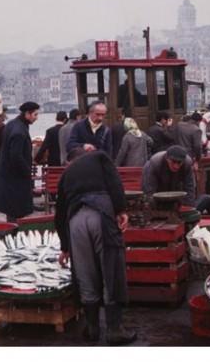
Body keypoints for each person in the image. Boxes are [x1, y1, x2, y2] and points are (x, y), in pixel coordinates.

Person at [55, 148, 136, 345]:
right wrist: (121, 209)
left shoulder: (66, 174)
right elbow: (114, 182)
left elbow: (59, 214)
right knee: (111, 270)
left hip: (75, 221)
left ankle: (92, 329)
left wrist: (65, 247)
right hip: (100, 214)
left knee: (85, 273)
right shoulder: (100, 157)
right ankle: (114, 330)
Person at [0, 101, 40, 221]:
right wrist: (27, 170)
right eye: (35, 115)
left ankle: (13, 231)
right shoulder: (19, 131)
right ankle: (15, 234)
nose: (37, 118)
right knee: (17, 210)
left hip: (8, 174)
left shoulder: (12, 124)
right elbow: (16, 155)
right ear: (27, 114)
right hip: (16, 177)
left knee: (11, 210)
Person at [142, 145, 210, 215]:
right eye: (173, 162)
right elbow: (149, 193)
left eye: (179, 162)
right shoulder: (154, 165)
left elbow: (190, 189)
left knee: (206, 199)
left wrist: (188, 211)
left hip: (176, 196)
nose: (176, 166)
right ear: (167, 159)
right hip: (158, 197)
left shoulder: (187, 164)